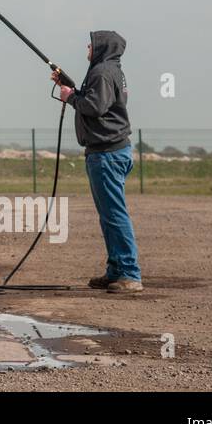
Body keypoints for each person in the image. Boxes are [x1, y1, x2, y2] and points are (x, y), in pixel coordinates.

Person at [53, 31, 143, 294]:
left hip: (107, 154)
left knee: (115, 215)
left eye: (91, 44)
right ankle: (116, 270)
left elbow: (94, 107)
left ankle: (129, 274)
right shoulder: (109, 70)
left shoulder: (102, 72)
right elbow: (95, 101)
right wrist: (70, 88)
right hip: (109, 152)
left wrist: (70, 97)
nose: (88, 47)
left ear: (102, 47)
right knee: (109, 216)